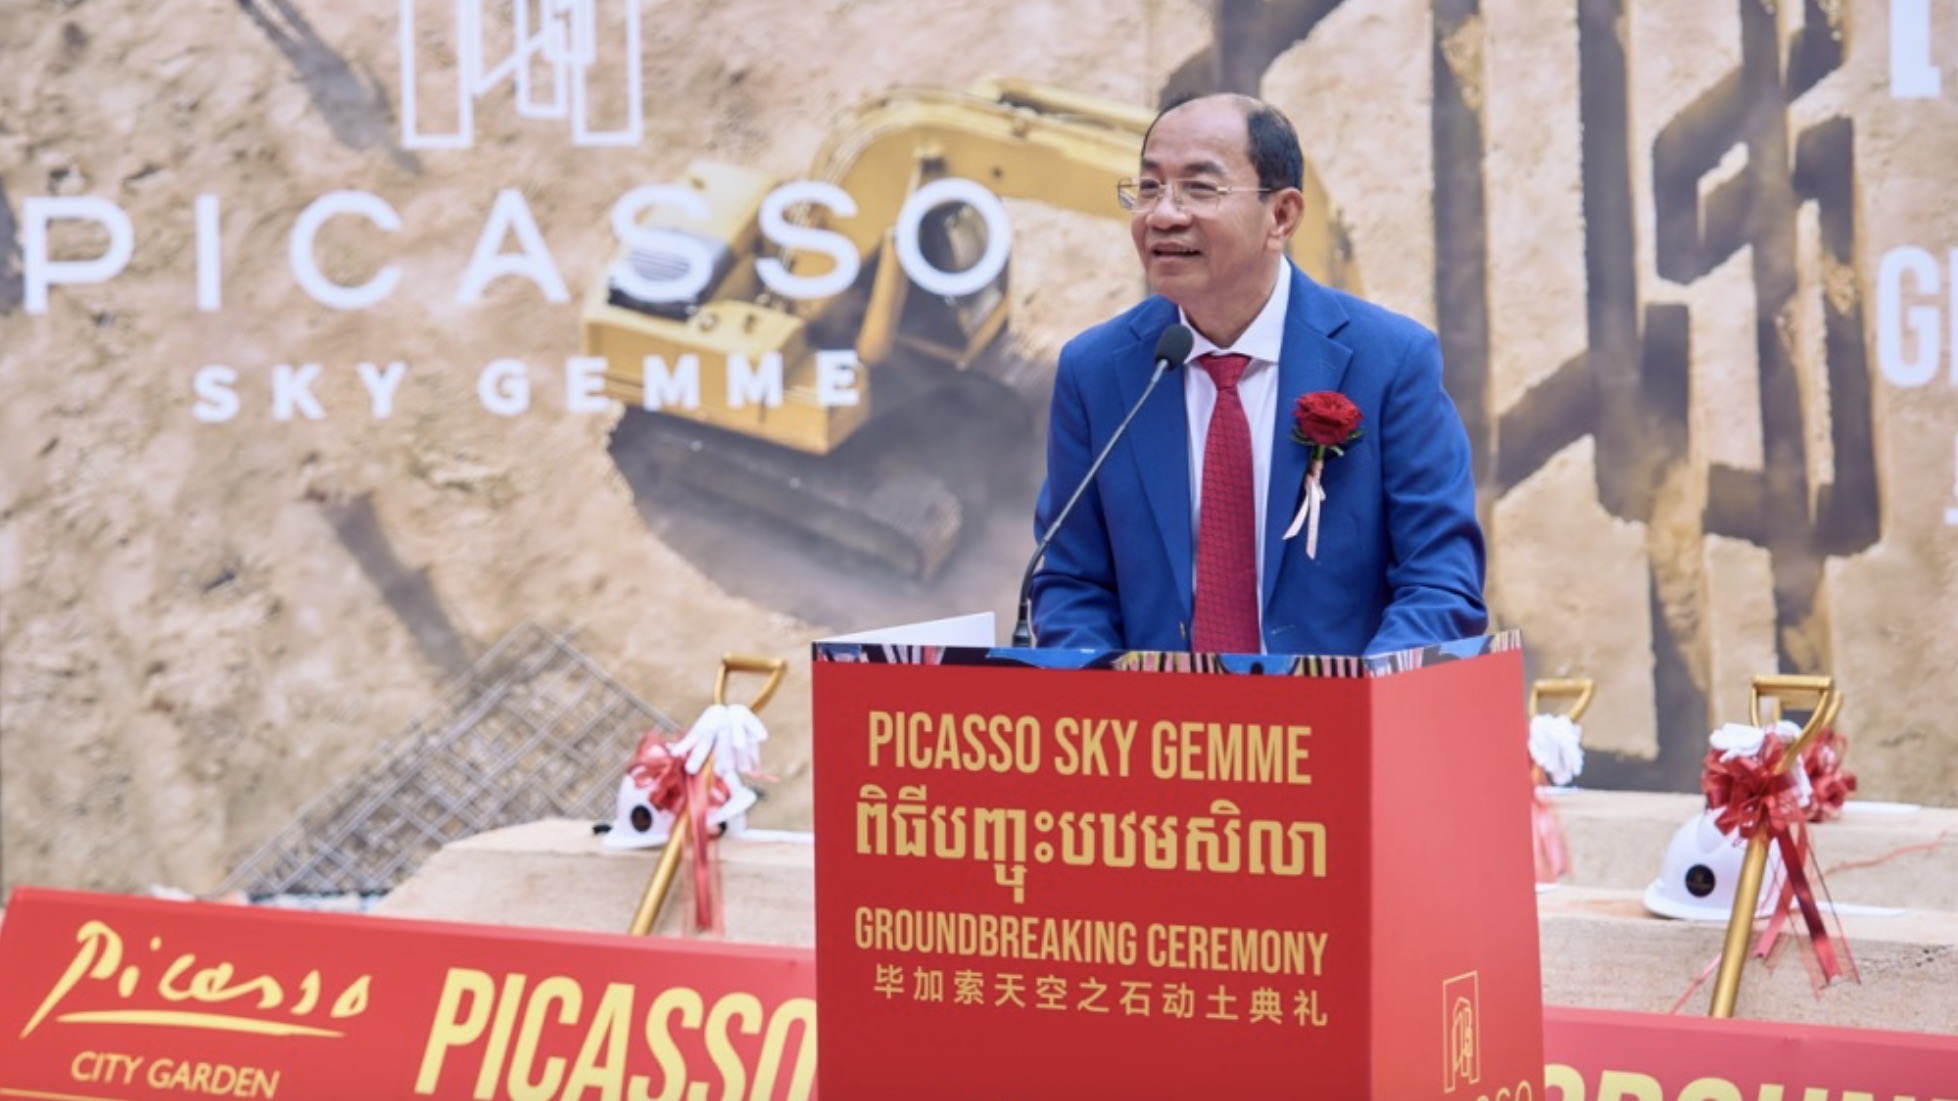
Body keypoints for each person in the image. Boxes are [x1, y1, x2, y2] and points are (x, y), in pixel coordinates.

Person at [1030, 93, 1486, 656]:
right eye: (1148, 188)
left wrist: (1357, 696)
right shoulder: (1097, 370)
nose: (1163, 215)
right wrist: (1110, 693)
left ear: (1282, 216)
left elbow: (1439, 583)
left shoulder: (1390, 362)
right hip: (1154, 710)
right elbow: (1072, 583)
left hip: (1339, 707)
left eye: (1199, 188)